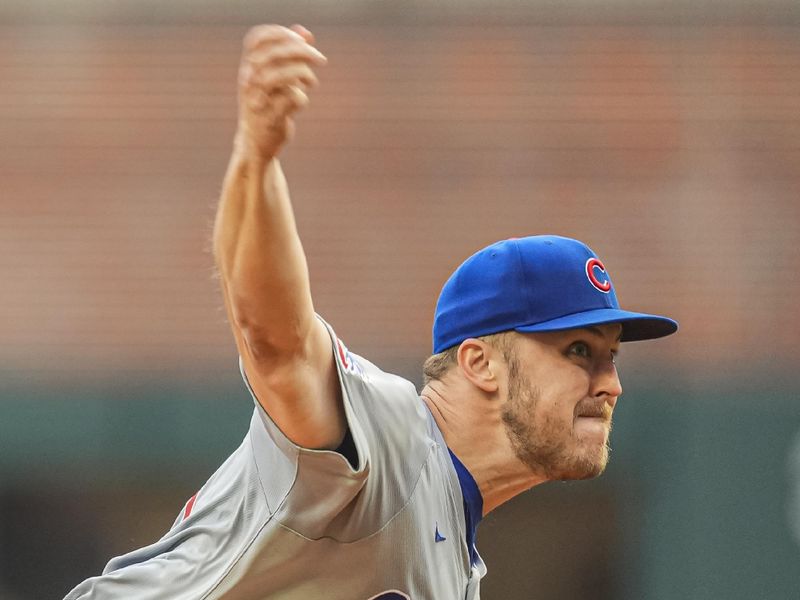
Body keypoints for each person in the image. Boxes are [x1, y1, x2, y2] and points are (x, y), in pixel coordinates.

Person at [64, 24, 677, 600]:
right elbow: (276, 339)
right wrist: (256, 158)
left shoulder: (456, 563)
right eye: (578, 351)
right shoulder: (392, 439)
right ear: (480, 362)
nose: (611, 384)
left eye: (610, 356)